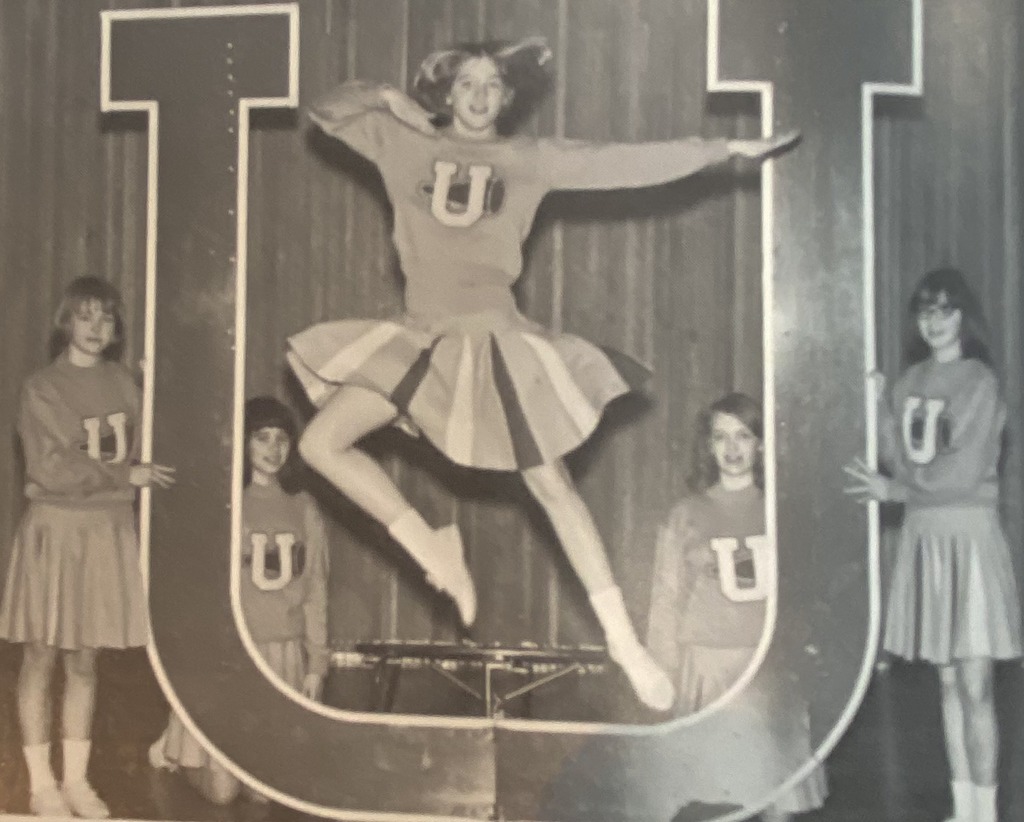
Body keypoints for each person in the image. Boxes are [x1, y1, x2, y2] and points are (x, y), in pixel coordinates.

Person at [289, 36, 798, 711]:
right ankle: (434, 549)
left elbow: (622, 163)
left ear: (506, 97)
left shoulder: (529, 159)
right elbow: (325, 112)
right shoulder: (400, 142)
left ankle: (625, 644)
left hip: (495, 337)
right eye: (465, 83)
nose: (477, 95)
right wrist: (385, 96)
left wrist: (725, 150)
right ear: (445, 94)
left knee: (552, 485)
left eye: (491, 84)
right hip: (418, 336)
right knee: (319, 444)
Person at [844, 267, 1022, 822]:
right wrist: (879, 407)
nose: (934, 321)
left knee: (975, 687)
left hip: (966, 538)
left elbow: (961, 474)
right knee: (945, 685)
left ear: (964, 318)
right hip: (925, 538)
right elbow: (900, 457)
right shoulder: (908, 382)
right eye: (925, 311)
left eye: (945, 310)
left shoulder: (980, 382)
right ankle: (962, 807)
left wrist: (895, 490)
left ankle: (987, 813)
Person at [0, 276, 176, 817]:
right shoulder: (42, 388)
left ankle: (76, 781)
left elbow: (158, 449)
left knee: (85, 660)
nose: (96, 328)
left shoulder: (125, 384)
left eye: (106, 318)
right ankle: (40, 784)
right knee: (41, 655)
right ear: (66, 322)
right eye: (85, 316)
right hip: (58, 530)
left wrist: (162, 389)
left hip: (107, 531)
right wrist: (127, 476)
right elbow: (52, 467)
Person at [647, 392, 827, 821]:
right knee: (715, 796)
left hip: (766, 666)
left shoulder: (782, 510)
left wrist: (804, 651)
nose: (732, 449)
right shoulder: (687, 513)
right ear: (708, 446)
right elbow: (665, 597)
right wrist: (662, 668)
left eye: (743, 436)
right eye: (721, 437)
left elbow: (804, 593)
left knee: (774, 793)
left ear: (761, 444)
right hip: (707, 669)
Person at [149, 396, 330, 806]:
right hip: (233, 652)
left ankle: (186, 743)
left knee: (264, 797)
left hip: (281, 653)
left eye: (282, 439)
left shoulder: (304, 508)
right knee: (222, 794)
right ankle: (174, 749)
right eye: (261, 437)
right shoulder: (226, 503)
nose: (273, 448)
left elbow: (316, 588)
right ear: (243, 444)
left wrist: (317, 663)